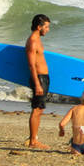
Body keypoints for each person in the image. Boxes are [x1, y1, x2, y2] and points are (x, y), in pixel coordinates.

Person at [26, 14, 51, 148]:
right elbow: (31, 65)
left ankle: (34, 138)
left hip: (43, 78)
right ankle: (33, 141)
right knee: (37, 109)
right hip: (39, 79)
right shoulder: (33, 42)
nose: (47, 29)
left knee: (39, 109)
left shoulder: (37, 40)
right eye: (46, 27)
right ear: (38, 26)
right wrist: (37, 84)